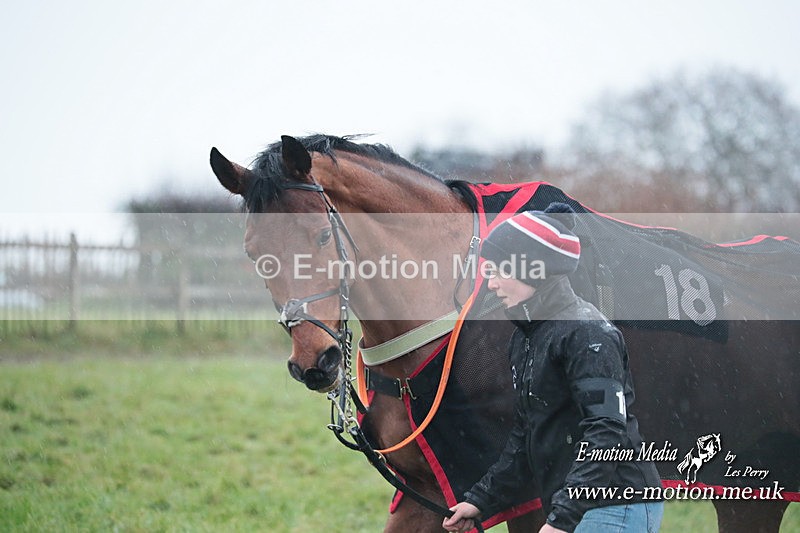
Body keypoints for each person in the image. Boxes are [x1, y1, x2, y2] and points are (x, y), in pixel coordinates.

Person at [443, 203, 663, 533]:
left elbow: (607, 433)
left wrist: (562, 518)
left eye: (501, 271)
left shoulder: (588, 334)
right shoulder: (525, 339)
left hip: (614, 504)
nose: (491, 284)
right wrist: (480, 501)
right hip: (580, 507)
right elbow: (526, 436)